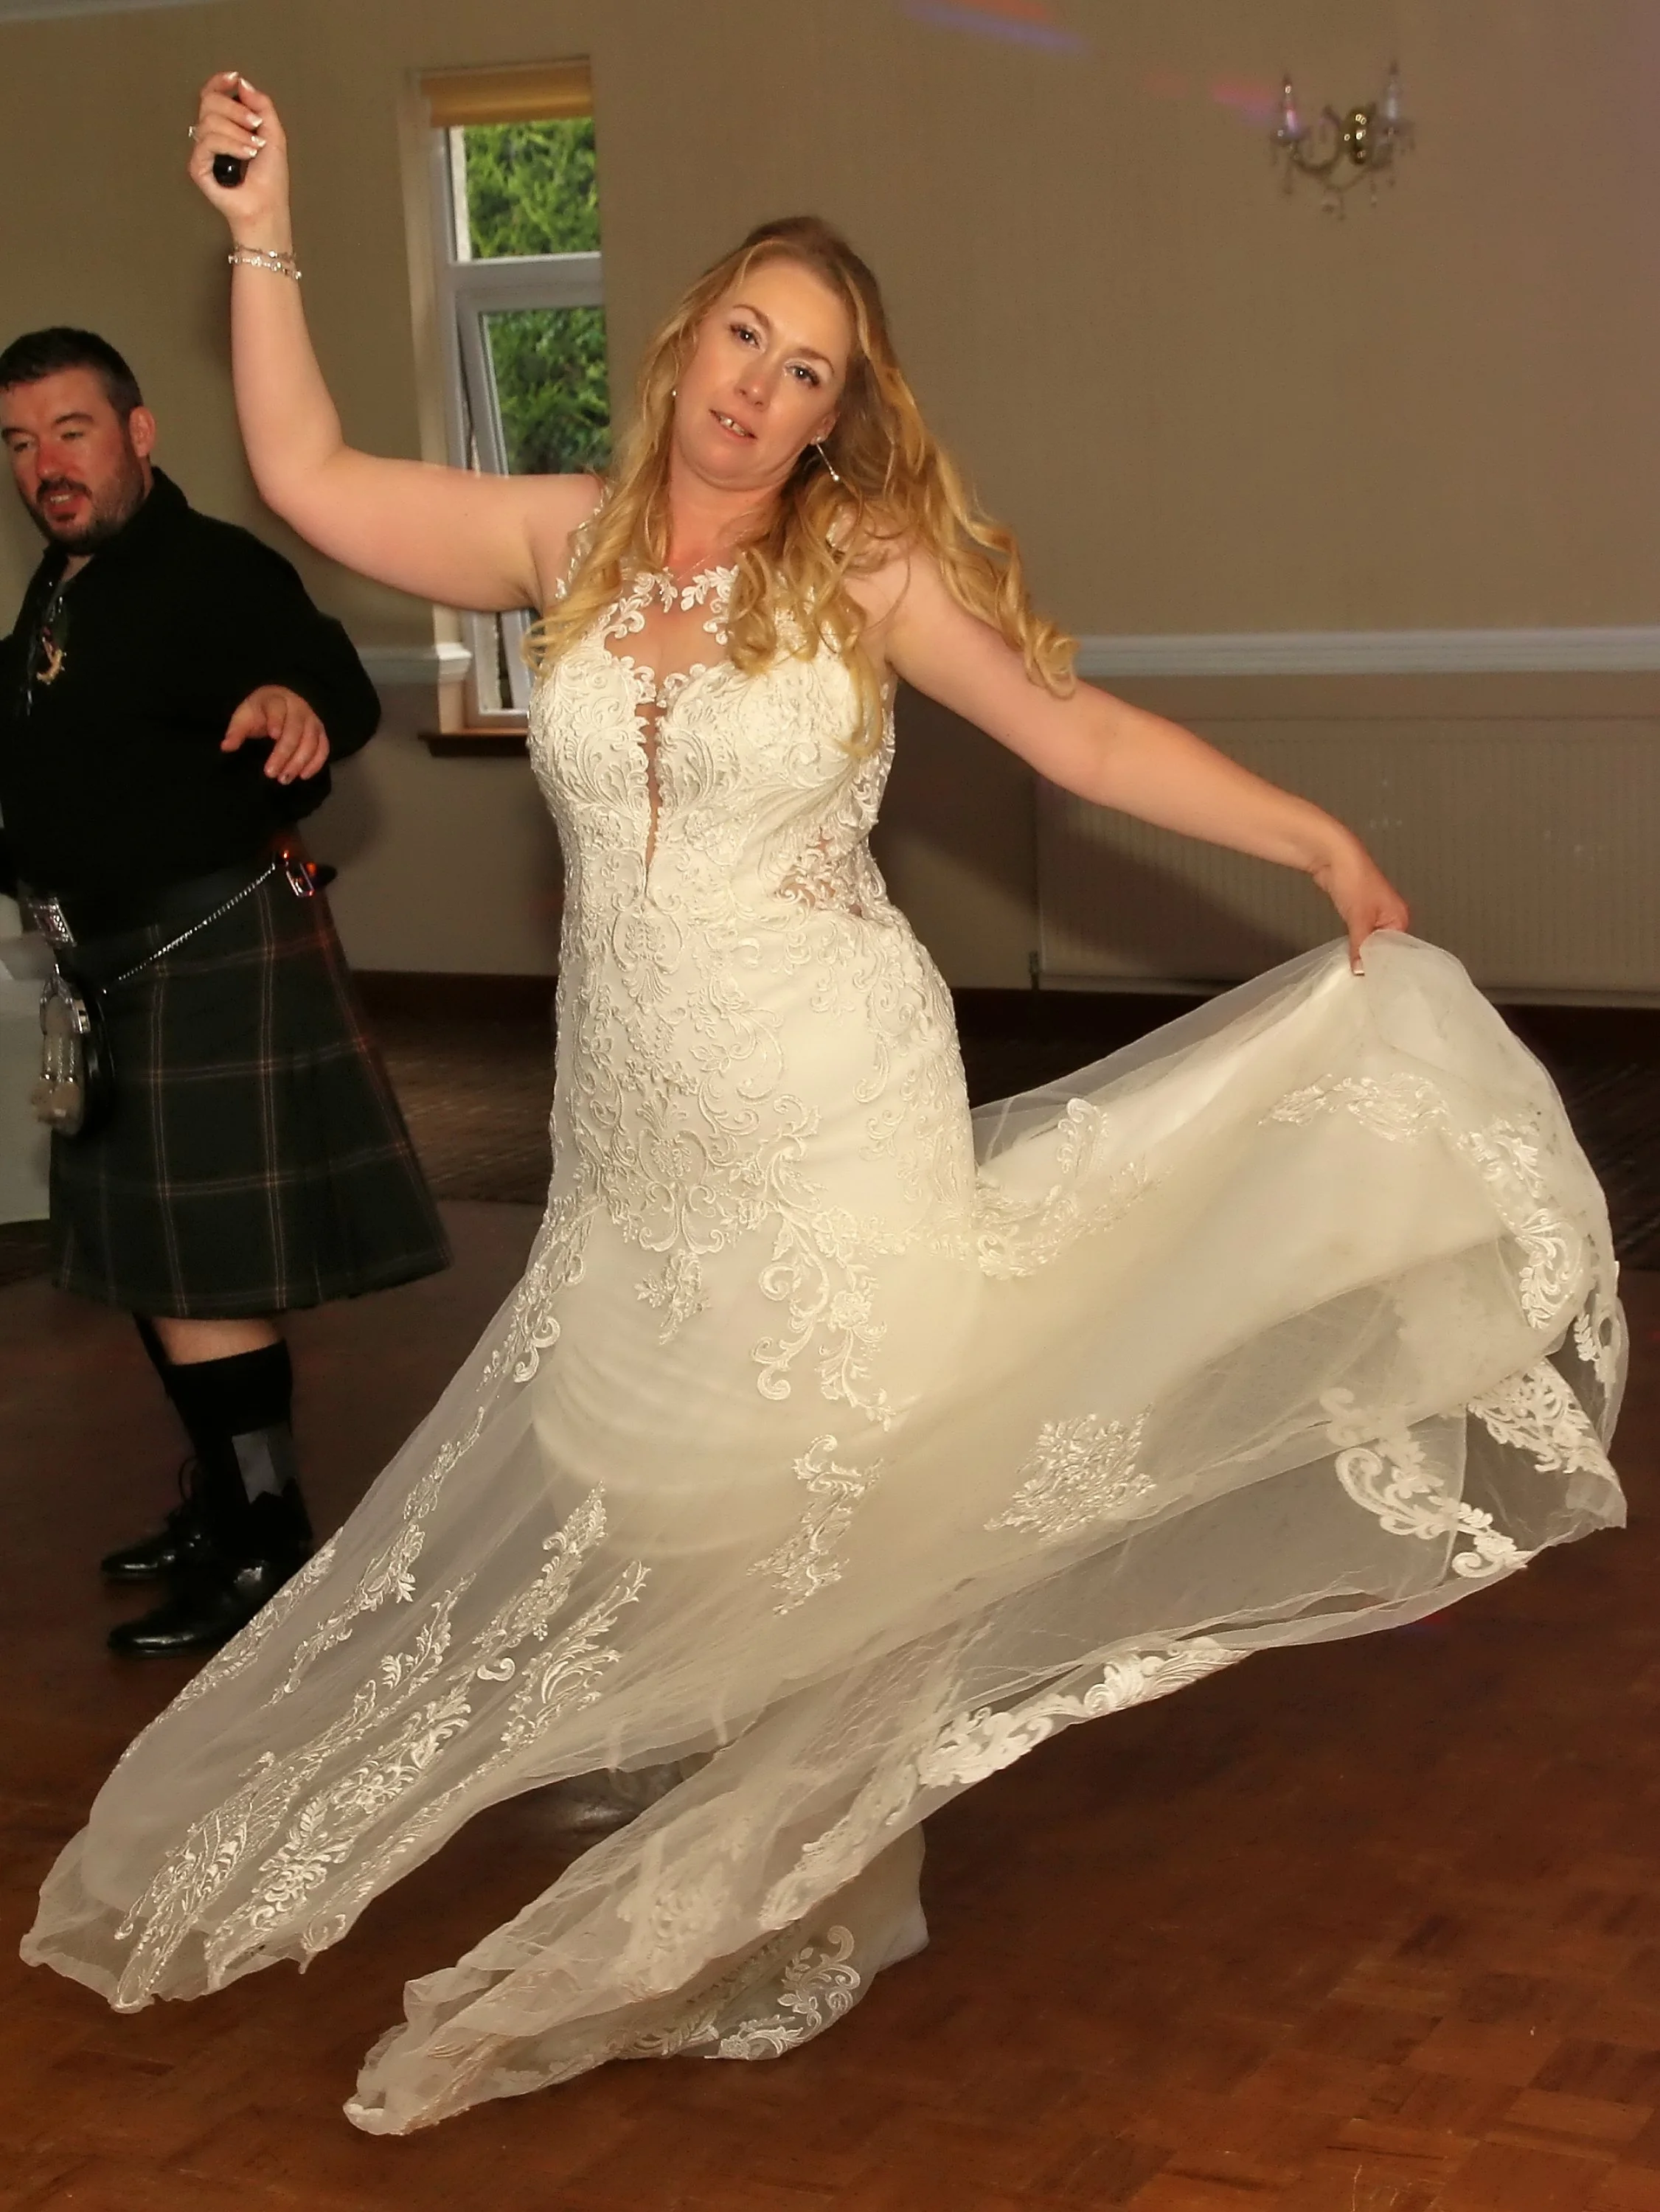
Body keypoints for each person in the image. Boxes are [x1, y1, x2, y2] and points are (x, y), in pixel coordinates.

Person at [21, 73, 1626, 2132]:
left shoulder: (859, 569)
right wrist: (261, 234)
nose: (761, 392)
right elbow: (315, 474)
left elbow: (1078, 738)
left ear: (832, 416)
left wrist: (1313, 839)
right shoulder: (566, 543)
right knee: (681, 1478)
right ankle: (761, 1794)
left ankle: (798, 1869)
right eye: (745, 343)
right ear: (687, 340)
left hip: (832, 1091)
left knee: (837, 1472)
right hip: (636, 1129)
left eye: (809, 375)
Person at [0, 322, 451, 1658]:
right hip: (111, 961)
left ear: (139, 434)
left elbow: (331, 689)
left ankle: (268, 1543)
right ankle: (222, 1510)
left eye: (71, 433)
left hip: (205, 952)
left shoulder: (210, 568)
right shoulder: (64, 586)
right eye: (21, 446)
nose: (47, 467)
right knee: (159, 1266)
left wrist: (290, 699)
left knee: (203, 1271)